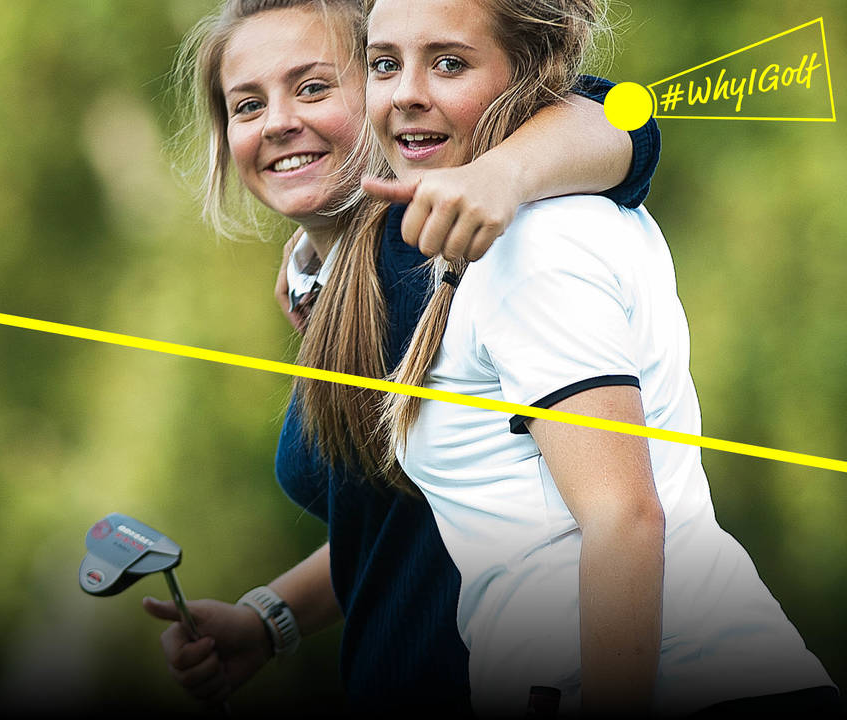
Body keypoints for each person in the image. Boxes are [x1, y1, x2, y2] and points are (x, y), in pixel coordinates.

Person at [292, 0, 834, 715]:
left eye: (449, 62)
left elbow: (623, 519)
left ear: (527, 75)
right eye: (386, 63)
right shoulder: (494, 227)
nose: (407, 93)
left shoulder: (536, 244)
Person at [142, 0, 660, 713]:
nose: (279, 121)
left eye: (314, 87)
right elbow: (409, 516)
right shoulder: (338, 294)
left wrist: (503, 174)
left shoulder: (446, 249)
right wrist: (270, 620)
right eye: (247, 104)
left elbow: (621, 120)